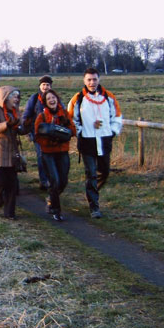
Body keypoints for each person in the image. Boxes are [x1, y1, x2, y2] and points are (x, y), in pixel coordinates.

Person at [68, 68, 122, 218]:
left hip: (104, 141)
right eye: (89, 80)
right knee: (91, 173)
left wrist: (112, 131)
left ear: (99, 80)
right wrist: (80, 131)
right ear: (84, 81)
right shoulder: (78, 98)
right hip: (87, 142)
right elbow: (72, 118)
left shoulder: (109, 97)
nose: (92, 83)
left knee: (104, 172)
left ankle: (92, 191)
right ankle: (94, 206)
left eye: (95, 79)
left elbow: (117, 116)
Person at [34, 89, 76, 221]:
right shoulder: (42, 117)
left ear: (57, 99)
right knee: (55, 181)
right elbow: (37, 136)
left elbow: (73, 131)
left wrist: (64, 130)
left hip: (62, 151)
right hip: (48, 153)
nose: (52, 100)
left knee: (63, 181)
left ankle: (51, 198)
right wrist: (50, 138)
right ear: (45, 102)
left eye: (53, 97)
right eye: (48, 99)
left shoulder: (64, 114)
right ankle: (56, 210)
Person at [0, 86, 22, 220]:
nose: (16, 99)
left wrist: (25, 126)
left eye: (18, 96)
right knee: (0, 181)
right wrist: (7, 124)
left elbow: (20, 128)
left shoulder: (15, 111)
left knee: (12, 184)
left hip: (11, 152)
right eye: (14, 96)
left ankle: (9, 213)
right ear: (5, 97)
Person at [22, 75, 54, 190]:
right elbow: (26, 114)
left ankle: (52, 179)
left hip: (52, 133)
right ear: (40, 86)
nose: (45, 87)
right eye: (43, 85)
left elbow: (62, 112)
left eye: (47, 85)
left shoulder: (54, 98)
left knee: (51, 156)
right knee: (41, 156)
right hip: (38, 133)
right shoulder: (34, 98)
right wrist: (27, 130)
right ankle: (43, 180)